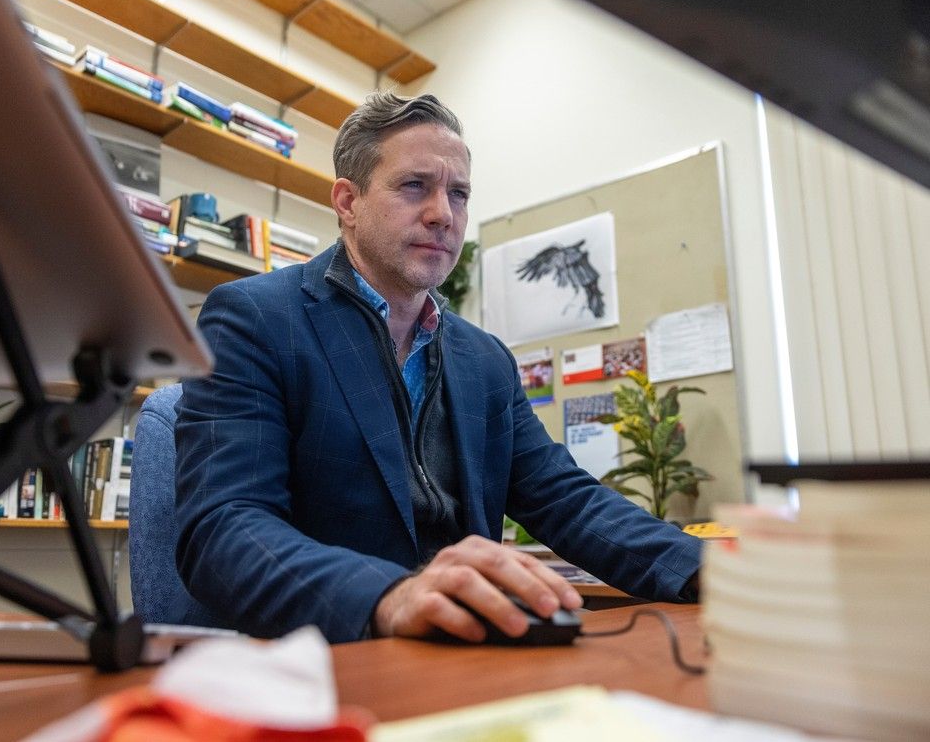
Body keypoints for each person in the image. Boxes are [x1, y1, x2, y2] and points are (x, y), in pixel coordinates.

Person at [174, 92, 702, 644]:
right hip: (322, 657)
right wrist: (389, 595)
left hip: (465, 651)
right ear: (347, 202)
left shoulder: (485, 360)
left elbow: (565, 500)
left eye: (458, 193)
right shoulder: (256, 318)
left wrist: (711, 568)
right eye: (413, 187)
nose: (443, 214)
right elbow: (222, 530)